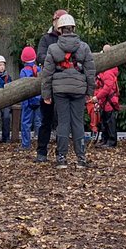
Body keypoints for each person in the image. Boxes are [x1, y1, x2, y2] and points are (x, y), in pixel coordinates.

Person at [41, 13, 95, 169]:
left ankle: (62, 158)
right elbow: (90, 71)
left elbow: (47, 73)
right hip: (78, 89)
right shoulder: (84, 47)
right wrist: (90, 92)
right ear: (73, 28)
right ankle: (81, 158)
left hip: (60, 90)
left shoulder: (53, 48)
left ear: (60, 29)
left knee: (63, 123)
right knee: (78, 123)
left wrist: (46, 94)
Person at [33, 9, 68, 163]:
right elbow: (40, 56)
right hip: (49, 84)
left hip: (64, 85)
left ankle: (61, 153)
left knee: (62, 121)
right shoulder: (46, 39)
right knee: (46, 120)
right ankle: (41, 152)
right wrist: (56, 59)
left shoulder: (72, 40)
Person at [94, 44, 120, 149]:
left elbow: (107, 88)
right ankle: (105, 140)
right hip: (105, 101)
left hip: (108, 100)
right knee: (104, 120)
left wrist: (98, 97)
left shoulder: (108, 72)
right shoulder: (106, 71)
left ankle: (111, 141)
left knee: (109, 121)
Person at [18, 46, 42, 150]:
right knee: (39, 122)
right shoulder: (39, 69)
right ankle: (40, 143)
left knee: (26, 123)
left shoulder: (23, 71)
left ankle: (26, 144)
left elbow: (22, 87)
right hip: (39, 100)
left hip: (27, 101)